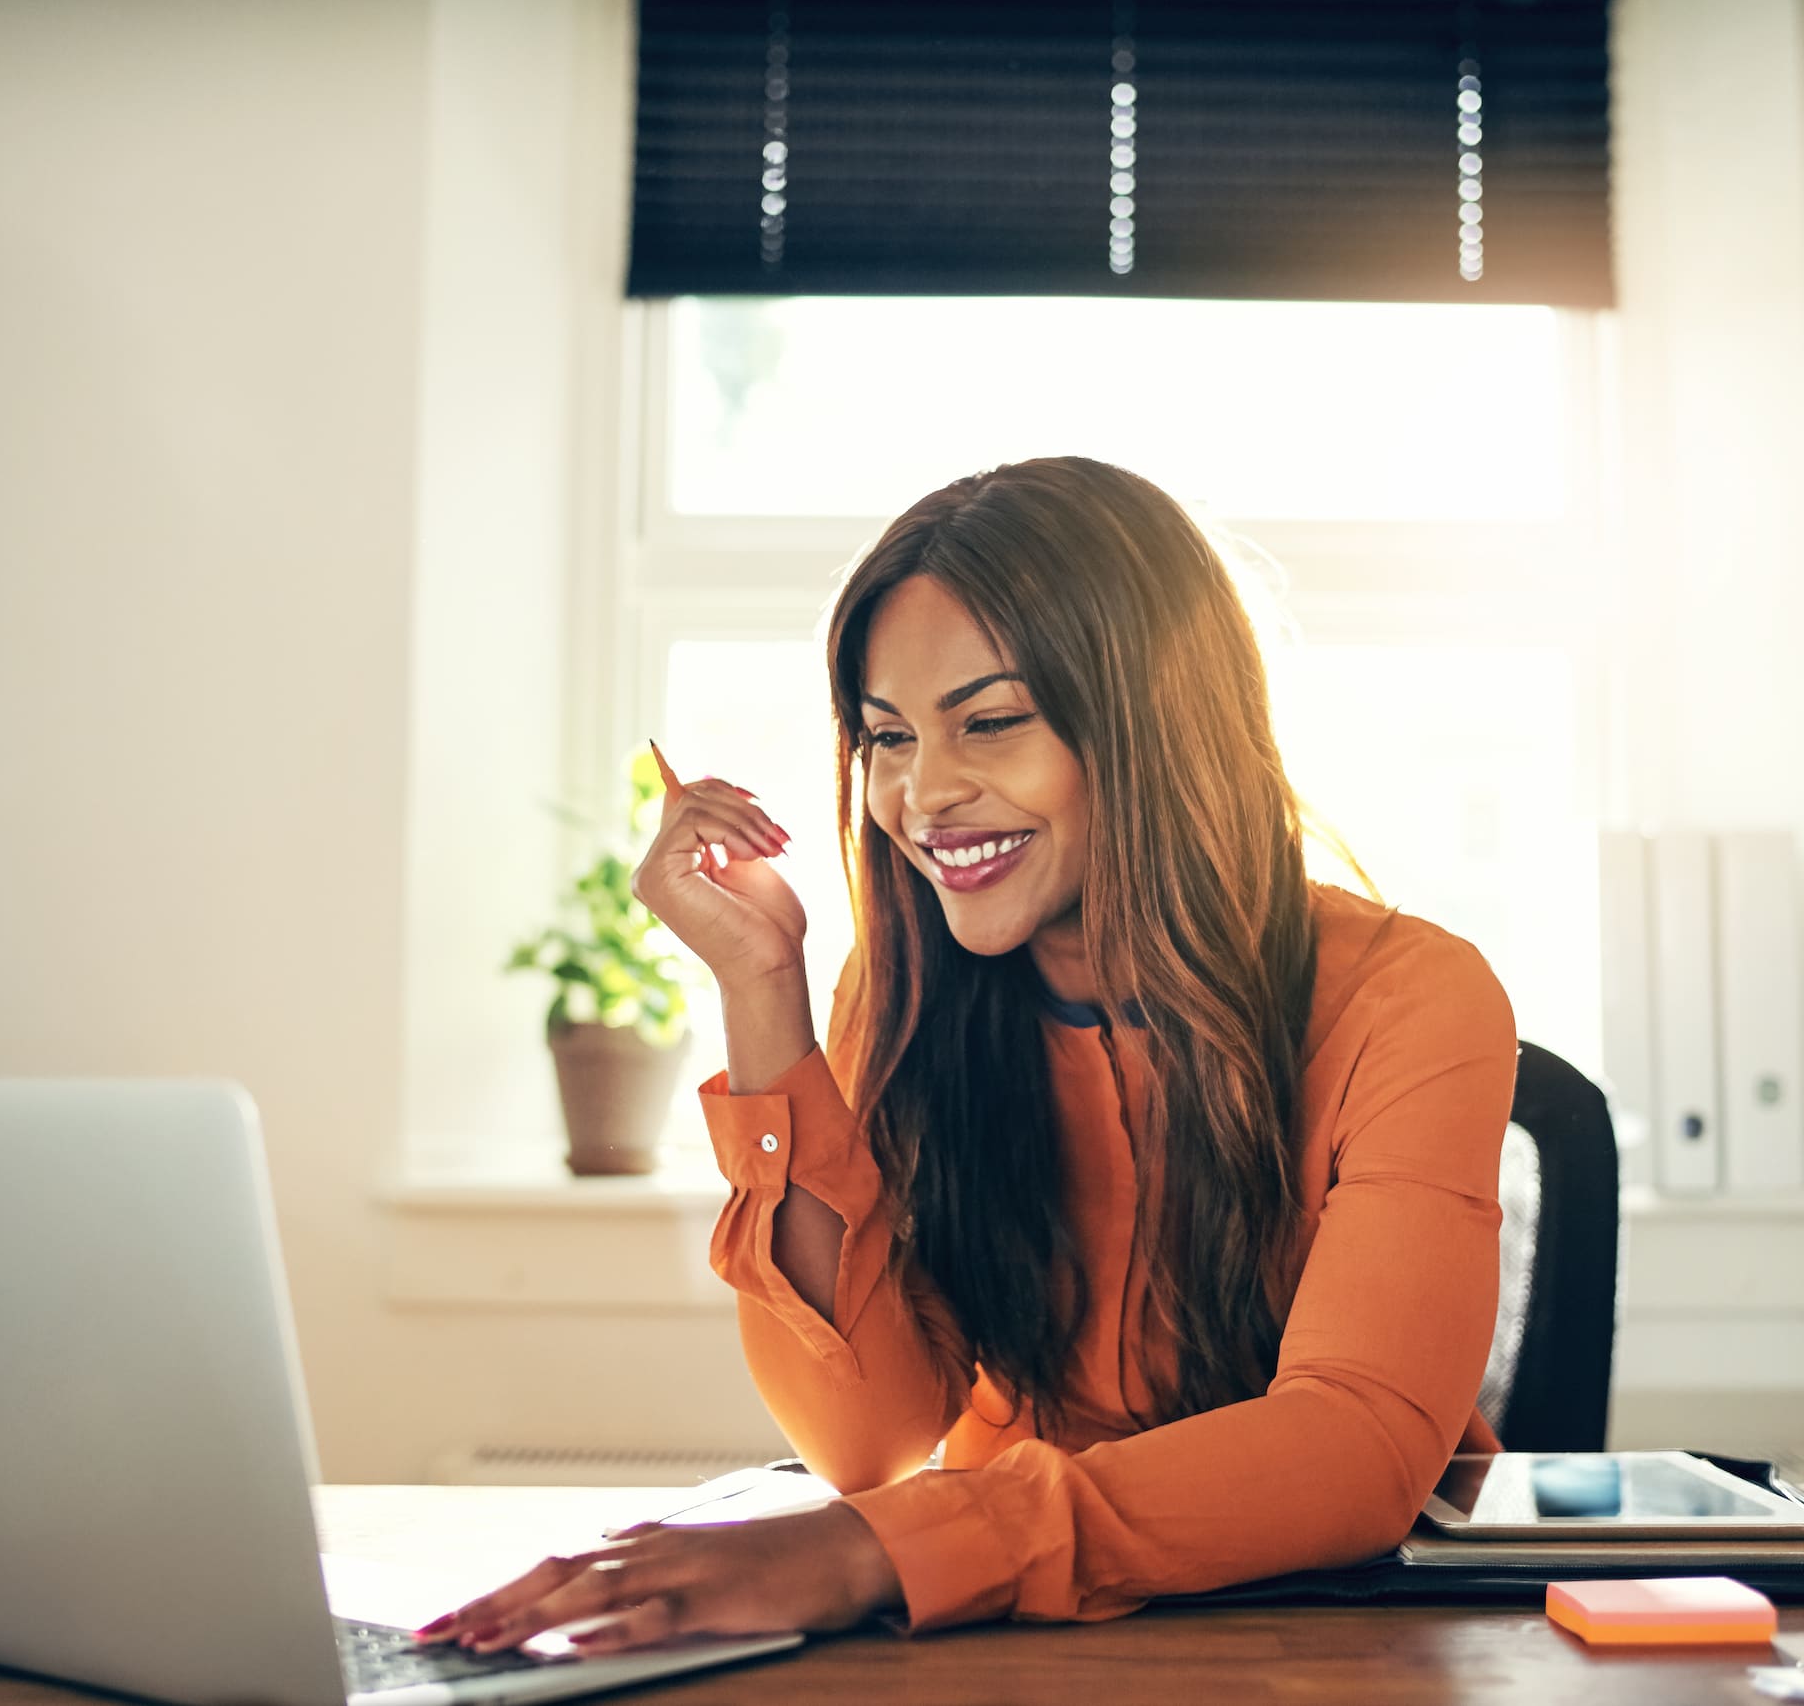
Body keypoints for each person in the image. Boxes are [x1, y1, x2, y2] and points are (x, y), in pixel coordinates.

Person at [421, 456, 1517, 1656]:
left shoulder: (1411, 998)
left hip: (1330, 1642)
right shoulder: (898, 993)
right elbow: (867, 1439)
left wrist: (876, 1551)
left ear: (1156, 721)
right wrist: (762, 992)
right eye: (887, 738)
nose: (921, 794)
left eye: (988, 722)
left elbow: (1352, 1445)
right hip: (1004, 1634)